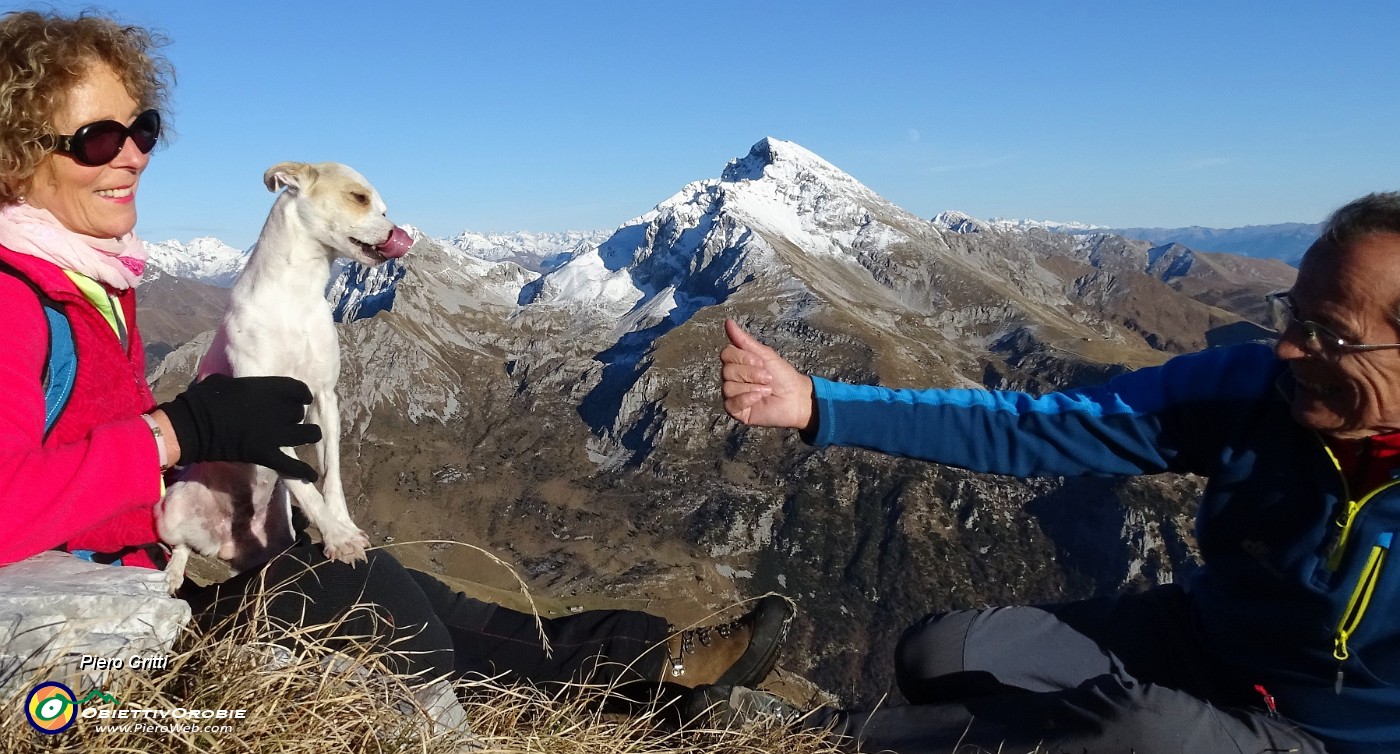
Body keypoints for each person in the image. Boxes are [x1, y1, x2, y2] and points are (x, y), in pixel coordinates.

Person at [0, 7, 791, 703]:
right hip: (76, 638)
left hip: (140, 581)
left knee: (409, 587)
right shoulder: (14, 300)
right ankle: (651, 688)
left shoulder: (94, 281)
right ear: (16, 154)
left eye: (143, 130)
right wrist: (172, 436)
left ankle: (654, 664)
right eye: (99, 138)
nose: (132, 156)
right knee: (384, 606)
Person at [717, 193, 1400, 754]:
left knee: (1134, 735)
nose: (1287, 347)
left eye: (1327, 334)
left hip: (1329, 739)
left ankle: (802, 743)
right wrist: (817, 403)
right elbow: (1038, 426)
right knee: (944, 652)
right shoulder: (1250, 390)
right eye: (1294, 315)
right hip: (1202, 646)